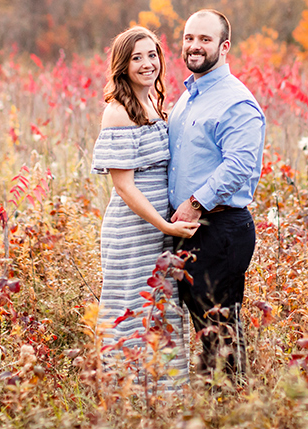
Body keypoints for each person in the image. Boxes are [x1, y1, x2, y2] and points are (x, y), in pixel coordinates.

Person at [90, 26, 200, 385]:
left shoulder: (154, 102)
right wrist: (165, 225)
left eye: (152, 55)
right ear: (122, 65)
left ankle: (166, 396)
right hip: (133, 229)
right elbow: (123, 186)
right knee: (133, 306)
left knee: (161, 305)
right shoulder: (118, 112)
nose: (147, 63)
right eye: (137, 57)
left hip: (158, 228)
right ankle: (129, 394)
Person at [169, 9, 265, 381]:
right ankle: (214, 406)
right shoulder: (189, 96)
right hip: (190, 230)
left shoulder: (235, 101)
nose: (194, 46)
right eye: (189, 38)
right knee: (205, 330)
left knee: (220, 333)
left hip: (220, 229)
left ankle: (228, 408)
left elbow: (240, 165)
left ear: (224, 47)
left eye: (204, 39)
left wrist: (195, 204)